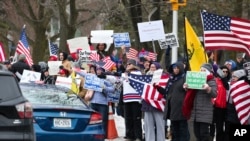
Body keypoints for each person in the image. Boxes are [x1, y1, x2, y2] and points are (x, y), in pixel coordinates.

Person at [184, 63, 217, 141]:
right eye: (201, 70)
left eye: (204, 70)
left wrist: (208, 88)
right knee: (197, 133)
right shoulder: (196, 79)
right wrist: (187, 87)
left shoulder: (211, 81)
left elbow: (214, 94)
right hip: (196, 112)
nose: (202, 71)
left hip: (205, 112)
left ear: (208, 72)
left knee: (204, 134)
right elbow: (191, 92)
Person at [157, 62, 190, 141]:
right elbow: (167, 93)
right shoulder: (171, 79)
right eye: (174, 68)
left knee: (183, 131)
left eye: (177, 68)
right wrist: (158, 88)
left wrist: (187, 88)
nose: (175, 70)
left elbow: (190, 91)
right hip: (172, 109)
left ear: (181, 68)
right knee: (175, 131)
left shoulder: (184, 78)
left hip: (181, 109)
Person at [142, 62, 166, 141]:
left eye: (154, 67)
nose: (152, 68)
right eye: (151, 67)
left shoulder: (163, 77)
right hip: (147, 104)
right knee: (148, 126)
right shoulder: (145, 77)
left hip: (158, 104)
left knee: (160, 125)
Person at [225, 69, 250, 141]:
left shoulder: (243, 87)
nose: (233, 78)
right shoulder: (232, 85)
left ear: (240, 77)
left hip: (238, 117)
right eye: (232, 76)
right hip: (230, 116)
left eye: (235, 77)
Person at [122, 59, 143, 141]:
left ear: (134, 65)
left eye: (130, 64)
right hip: (127, 99)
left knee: (136, 119)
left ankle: (138, 136)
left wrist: (130, 73)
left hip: (136, 99)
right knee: (128, 119)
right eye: (127, 64)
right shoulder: (124, 74)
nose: (128, 65)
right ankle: (129, 136)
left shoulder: (138, 74)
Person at [211, 66, 231, 141]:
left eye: (226, 72)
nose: (225, 73)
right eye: (223, 71)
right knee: (215, 127)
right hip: (216, 107)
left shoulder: (229, 82)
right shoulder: (215, 81)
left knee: (224, 127)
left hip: (226, 108)